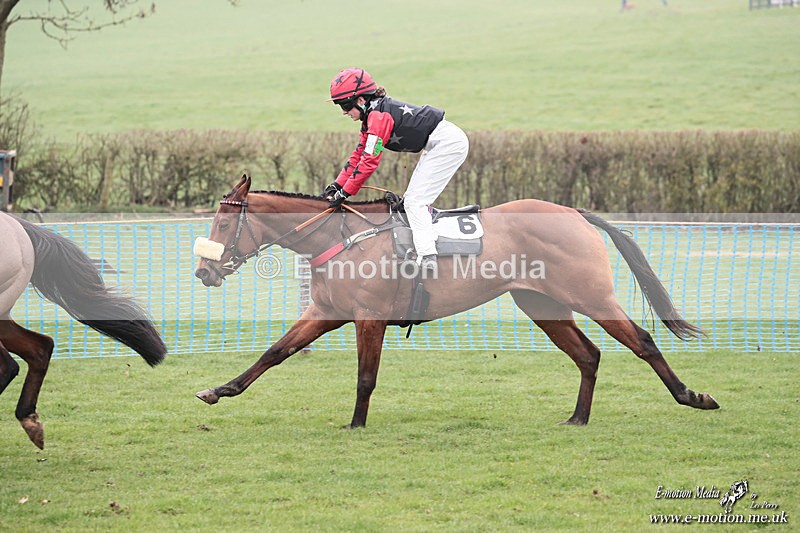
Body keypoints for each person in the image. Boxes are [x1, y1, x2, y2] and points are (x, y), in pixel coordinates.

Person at [321, 68, 469, 272]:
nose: (344, 112)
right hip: (437, 144)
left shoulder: (378, 117)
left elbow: (369, 161)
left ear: (361, 100)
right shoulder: (371, 116)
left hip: (448, 143)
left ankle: (428, 258)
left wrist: (345, 193)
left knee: (415, 202)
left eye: (345, 105)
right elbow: (359, 155)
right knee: (411, 201)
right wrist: (337, 185)